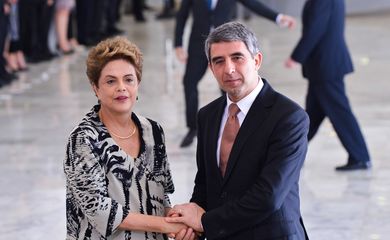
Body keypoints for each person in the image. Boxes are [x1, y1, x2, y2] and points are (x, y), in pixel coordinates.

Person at [166, 22, 310, 240]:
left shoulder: (289, 118)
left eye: (237, 57)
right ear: (211, 67)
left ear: (257, 60)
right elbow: (205, 182)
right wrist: (191, 223)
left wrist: (204, 222)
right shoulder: (207, 116)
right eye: (219, 61)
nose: (229, 68)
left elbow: (268, 196)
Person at [64, 37, 189, 239]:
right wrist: (168, 226)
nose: (121, 87)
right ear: (95, 87)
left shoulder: (154, 131)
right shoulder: (83, 140)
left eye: (128, 79)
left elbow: (160, 194)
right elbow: (99, 210)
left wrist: (178, 222)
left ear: (137, 83)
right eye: (111, 81)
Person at [175, 0, 297, 147]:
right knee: (189, 82)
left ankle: (231, 122)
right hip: (198, 45)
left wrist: (278, 17)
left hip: (227, 46)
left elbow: (253, 4)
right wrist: (178, 44)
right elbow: (182, 15)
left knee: (229, 86)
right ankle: (193, 127)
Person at [285, 0, 371, 171]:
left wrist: (296, 56)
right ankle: (289, 154)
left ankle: (360, 157)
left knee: (340, 113)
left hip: (326, 66)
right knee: (311, 116)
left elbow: (315, 29)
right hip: (324, 66)